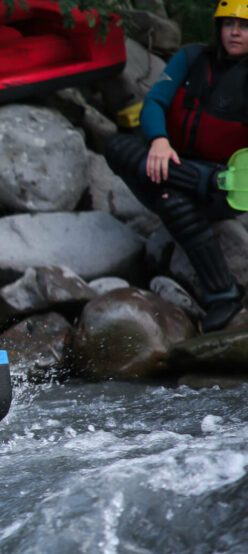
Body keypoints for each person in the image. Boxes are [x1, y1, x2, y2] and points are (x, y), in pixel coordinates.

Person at [105, 0, 248, 332]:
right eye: (229, 25)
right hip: (170, 160)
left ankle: (223, 295)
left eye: (243, 26)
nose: (235, 32)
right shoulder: (193, 58)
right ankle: (223, 293)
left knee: (173, 201)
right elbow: (155, 101)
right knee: (116, 146)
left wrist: (215, 178)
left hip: (224, 186)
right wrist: (158, 139)